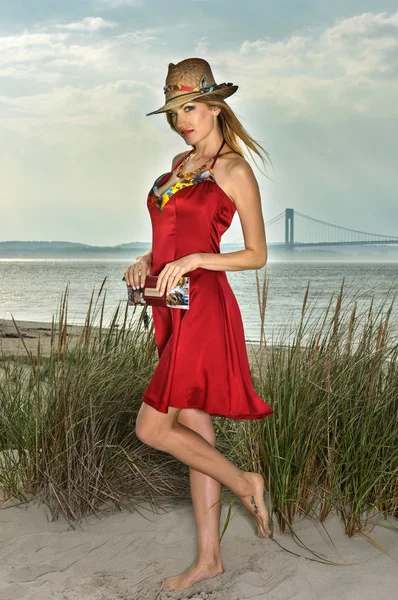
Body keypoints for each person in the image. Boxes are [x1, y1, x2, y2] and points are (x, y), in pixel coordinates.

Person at [123, 58, 274, 592]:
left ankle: (243, 480)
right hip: (170, 304)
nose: (182, 119)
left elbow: (255, 255)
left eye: (190, 107)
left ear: (215, 106)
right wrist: (148, 258)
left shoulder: (233, 168)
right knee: (192, 429)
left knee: (152, 427)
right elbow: (173, 233)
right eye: (174, 111)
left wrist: (194, 263)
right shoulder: (179, 163)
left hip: (204, 305)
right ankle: (209, 558)